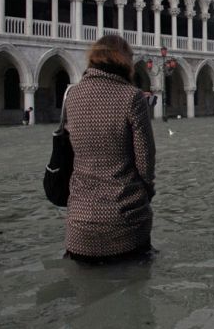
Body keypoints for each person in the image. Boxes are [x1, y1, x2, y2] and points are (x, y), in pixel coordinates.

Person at [63, 35, 156, 263]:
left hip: (79, 227)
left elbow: (68, 153)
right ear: (124, 61)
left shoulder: (71, 96)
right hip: (125, 223)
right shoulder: (132, 97)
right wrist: (147, 192)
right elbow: (145, 160)